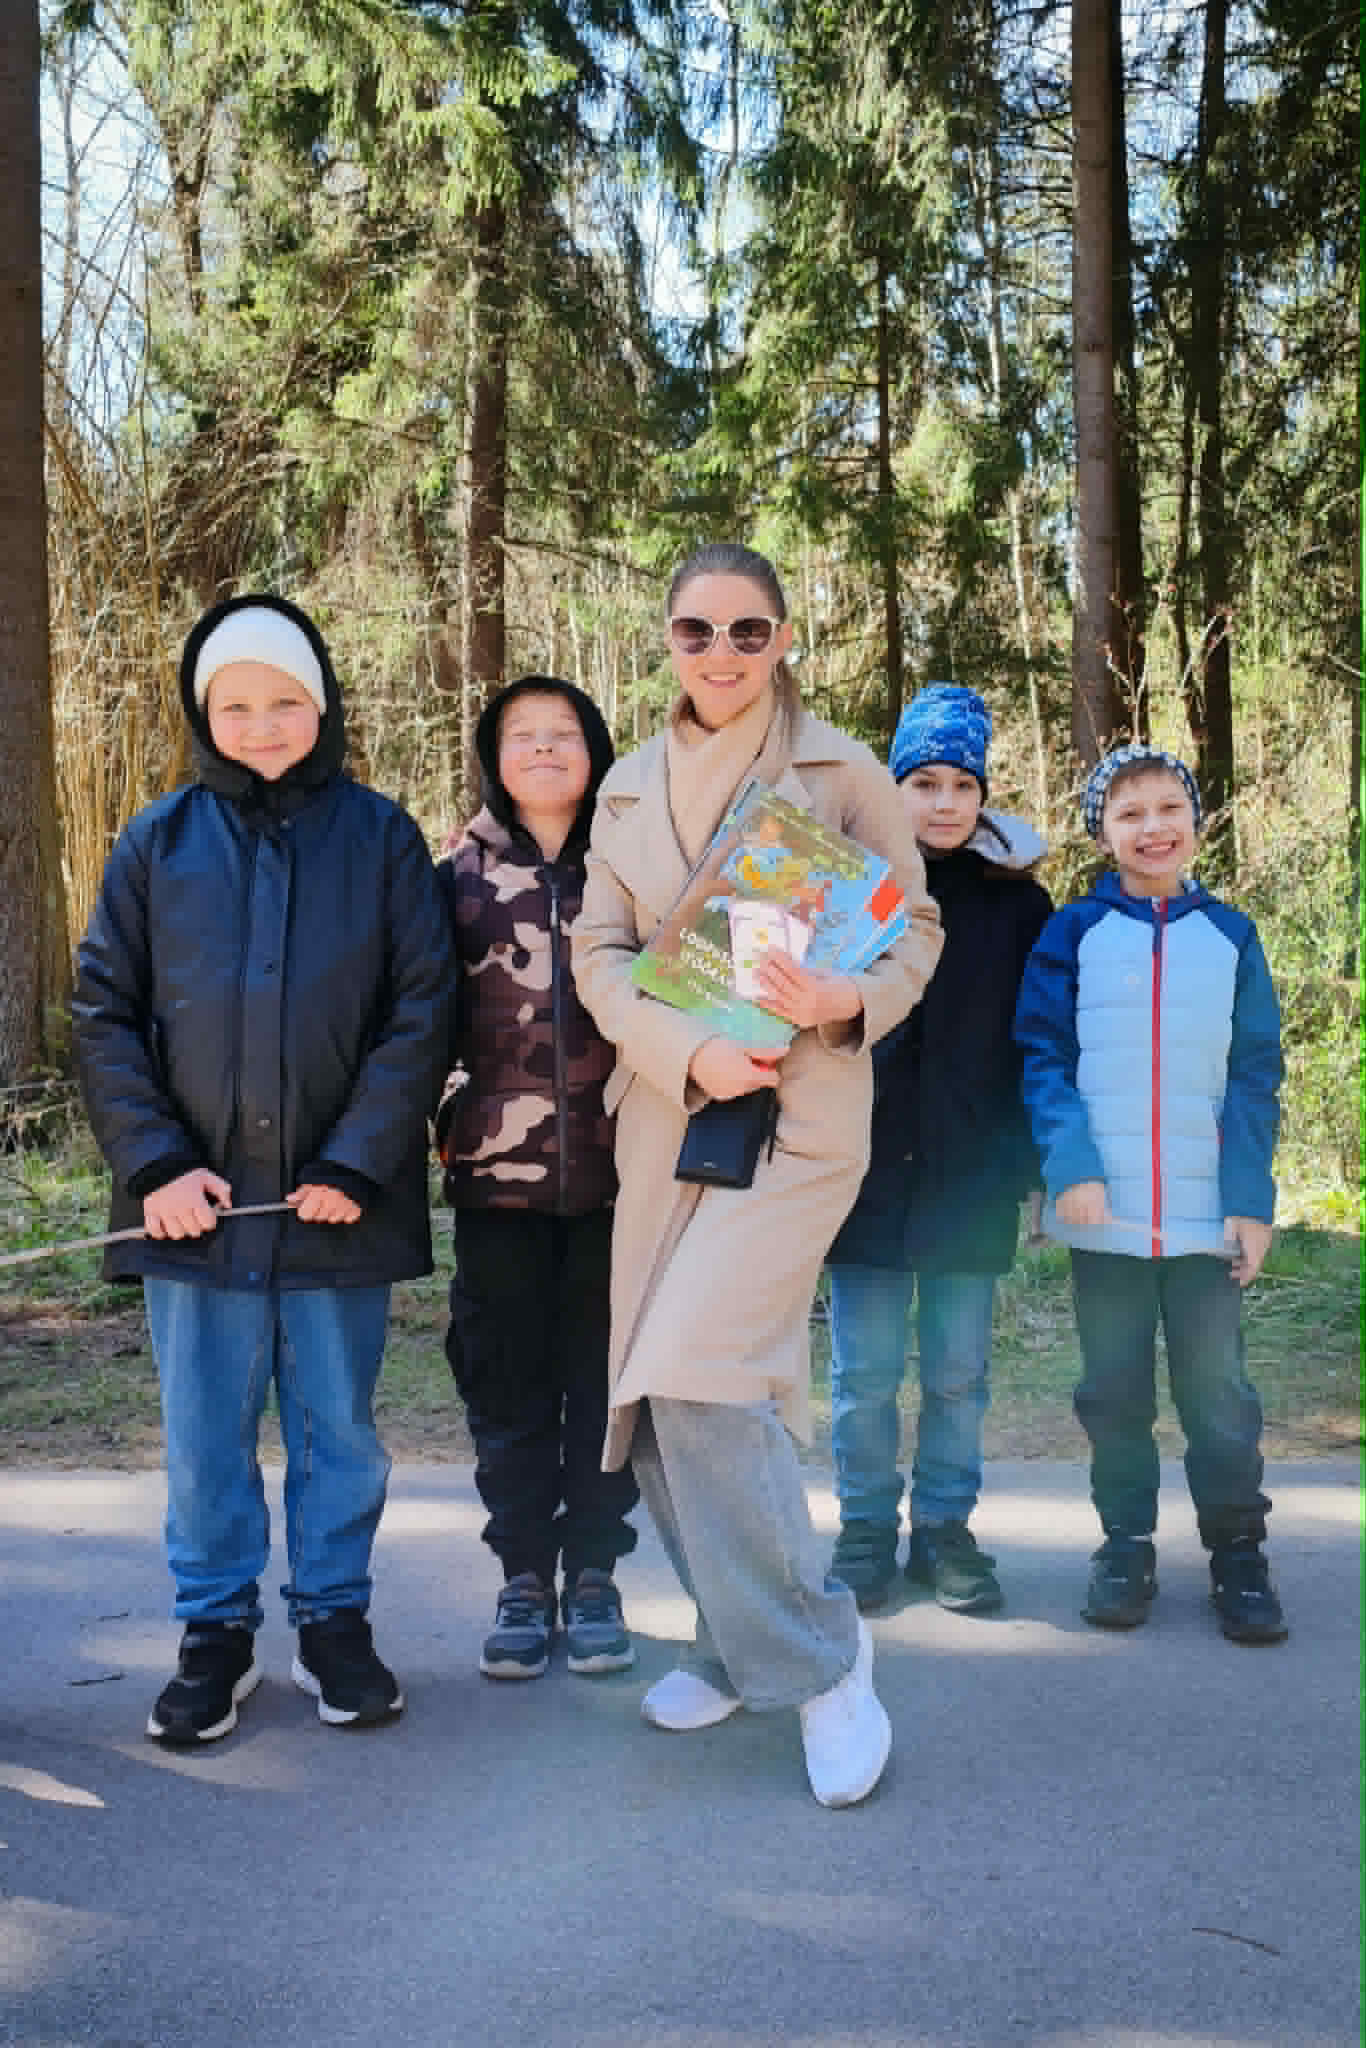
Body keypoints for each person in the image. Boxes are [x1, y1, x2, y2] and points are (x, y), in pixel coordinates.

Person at [571, 542, 943, 1807]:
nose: (721, 652)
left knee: (702, 1371)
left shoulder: (843, 771)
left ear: (783, 638)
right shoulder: (626, 786)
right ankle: (733, 1640)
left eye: (747, 630)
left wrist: (844, 996)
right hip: (670, 1114)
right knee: (652, 1393)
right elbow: (598, 954)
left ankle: (823, 1659)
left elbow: (915, 925)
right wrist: (689, 1049)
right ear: (667, 639)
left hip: (799, 1121)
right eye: (697, 630)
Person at [73, 594, 453, 1743]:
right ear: (203, 714)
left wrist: (357, 1160)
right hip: (192, 1214)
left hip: (336, 1205)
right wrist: (155, 1165)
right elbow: (105, 1012)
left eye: (285, 700)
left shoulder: (381, 838)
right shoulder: (156, 842)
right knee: (206, 1438)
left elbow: (421, 1008)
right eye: (234, 705)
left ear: (323, 704)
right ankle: (215, 1632)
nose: (262, 723)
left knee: (338, 1430)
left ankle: (333, 1621)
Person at [1013, 742, 1288, 1643]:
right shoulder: (1072, 934)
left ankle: (1238, 1554)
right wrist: (1072, 1168)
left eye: (1169, 807)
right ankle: (1124, 1546)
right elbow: (1044, 1058)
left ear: (1196, 823)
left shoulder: (1232, 937)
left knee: (1220, 1398)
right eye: (1128, 813)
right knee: (1115, 1395)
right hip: (1106, 1218)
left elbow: (1254, 1074)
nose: (1152, 827)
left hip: (1209, 1222)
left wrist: (1251, 1201)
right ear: (1102, 835)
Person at [824, 684, 1053, 1615]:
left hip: (972, 1177)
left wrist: (1032, 1171)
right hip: (862, 1173)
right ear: (893, 787)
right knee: (863, 1375)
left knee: (959, 1374)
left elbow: (1041, 1042)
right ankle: (865, 1529)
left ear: (984, 795)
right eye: (924, 782)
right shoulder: (847, 890)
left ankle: (946, 1531)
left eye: (964, 784)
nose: (946, 802)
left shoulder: (1018, 906)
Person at [436, 676, 639, 1680]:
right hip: (495, 1184)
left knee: (605, 1386)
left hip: (622, 1181)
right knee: (507, 1382)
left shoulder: (634, 866)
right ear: (494, 755)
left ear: (596, 751)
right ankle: (522, 1574)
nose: (546, 748)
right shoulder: (451, 877)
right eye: (523, 734)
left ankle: (595, 1573)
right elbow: (413, 1019)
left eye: (565, 732)